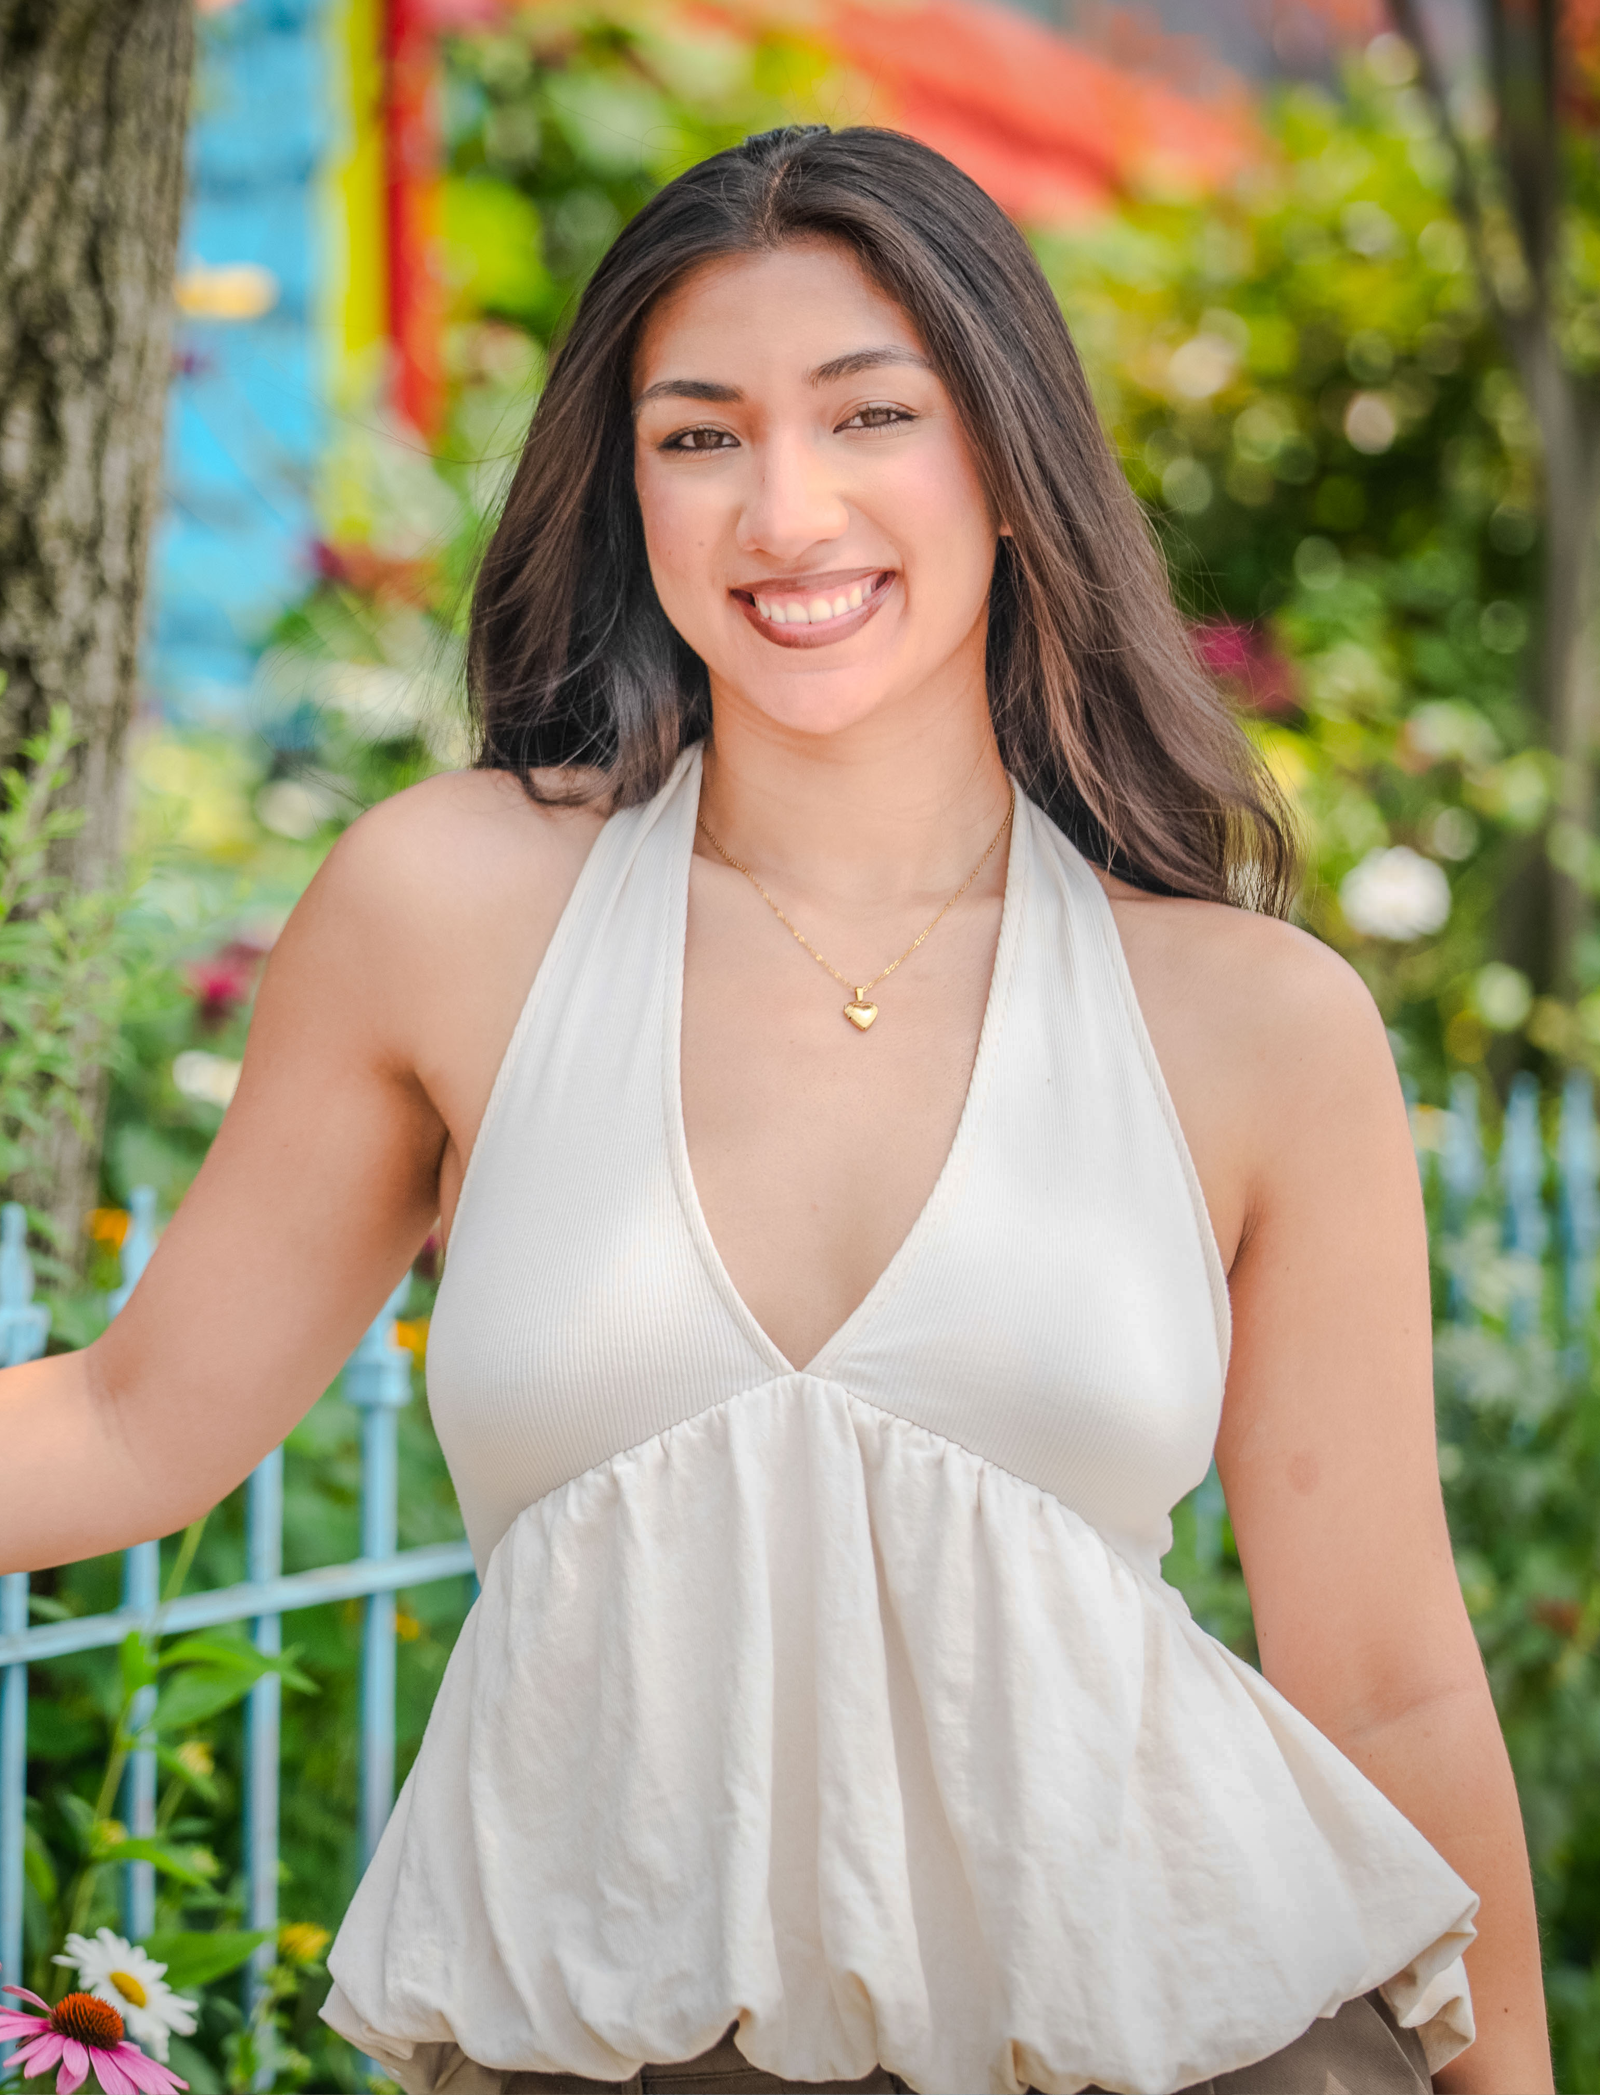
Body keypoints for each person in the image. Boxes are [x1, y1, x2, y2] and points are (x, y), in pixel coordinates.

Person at [0, 124, 1550, 2095]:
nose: (782, 508)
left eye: (866, 415)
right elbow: (135, 1419)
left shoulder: (1249, 1021)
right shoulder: (453, 910)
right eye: (699, 436)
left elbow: (1390, 1680)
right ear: (624, 488)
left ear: (1004, 461)